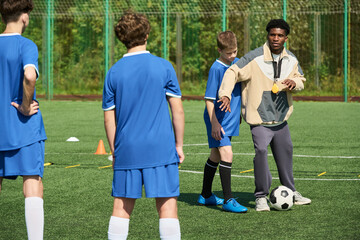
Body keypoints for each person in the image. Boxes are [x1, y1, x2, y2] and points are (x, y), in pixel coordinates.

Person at [102, 11, 185, 240]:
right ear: (147, 34)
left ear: (121, 37)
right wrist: (178, 145)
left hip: (127, 148)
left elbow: (109, 119)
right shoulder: (164, 66)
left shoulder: (113, 72)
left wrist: (114, 151)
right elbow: (177, 110)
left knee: (121, 207)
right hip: (160, 147)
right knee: (167, 206)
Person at [218, 19, 311, 212]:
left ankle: (291, 192)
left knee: (286, 154)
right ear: (267, 36)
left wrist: (295, 82)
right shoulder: (254, 58)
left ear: (286, 38)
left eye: (280, 35)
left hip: (281, 120)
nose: (275, 38)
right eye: (272, 35)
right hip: (260, 121)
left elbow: (301, 78)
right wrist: (225, 93)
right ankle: (261, 196)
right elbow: (232, 72)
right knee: (261, 151)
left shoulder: (291, 59)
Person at [0, 0, 47, 239]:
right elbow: (30, 76)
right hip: (24, 129)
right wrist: (26, 107)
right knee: (32, 185)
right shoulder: (26, 45)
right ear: (24, 16)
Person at [197, 31, 247, 213]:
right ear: (219, 50)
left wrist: (239, 113)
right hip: (217, 119)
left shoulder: (238, 63)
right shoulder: (216, 69)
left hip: (231, 118)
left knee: (215, 156)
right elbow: (209, 99)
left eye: (235, 51)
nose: (232, 56)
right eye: (228, 53)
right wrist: (215, 124)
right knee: (227, 153)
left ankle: (206, 195)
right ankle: (228, 200)